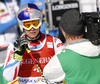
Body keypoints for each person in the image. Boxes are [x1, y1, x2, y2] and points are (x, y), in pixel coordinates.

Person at [2, 3, 64, 84]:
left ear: (40, 23)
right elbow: (9, 77)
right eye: (27, 25)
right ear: (22, 25)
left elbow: (66, 70)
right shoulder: (14, 46)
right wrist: (17, 55)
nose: (32, 28)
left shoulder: (54, 42)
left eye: (35, 23)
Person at [43, 9, 100, 84]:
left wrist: (65, 47)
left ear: (63, 31)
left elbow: (47, 74)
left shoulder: (63, 58)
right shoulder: (97, 48)